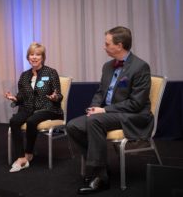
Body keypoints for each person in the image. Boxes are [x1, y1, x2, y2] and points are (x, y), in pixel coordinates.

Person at [66, 26, 154, 194]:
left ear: (119, 45)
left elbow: (136, 103)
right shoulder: (108, 66)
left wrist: (105, 111)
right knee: (72, 126)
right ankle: (102, 166)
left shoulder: (140, 67)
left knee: (95, 120)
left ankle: (100, 178)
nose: (104, 47)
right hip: (107, 113)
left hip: (133, 115)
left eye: (107, 44)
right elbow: (100, 92)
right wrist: (95, 107)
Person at [5, 42, 63, 172]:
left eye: (38, 54)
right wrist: (15, 98)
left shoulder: (51, 72)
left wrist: (55, 97)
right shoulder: (24, 75)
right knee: (14, 121)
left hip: (48, 108)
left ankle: (28, 153)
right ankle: (21, 158)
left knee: (32, 121)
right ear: (28, 57)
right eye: (32, 54)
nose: (34, 57)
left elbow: (58, 94)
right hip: (28, 108)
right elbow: (21, 95)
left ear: (42, 57)